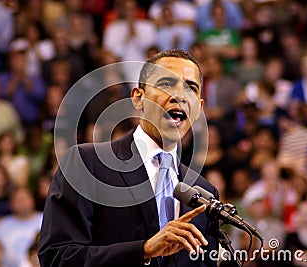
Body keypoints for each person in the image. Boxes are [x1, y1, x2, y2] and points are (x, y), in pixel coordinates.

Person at [38, 49, 220, 266]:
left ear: (198, 109)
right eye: (166, 84)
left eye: (190, 87)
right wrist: (143, 250)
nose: (179, 95)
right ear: (138, 98)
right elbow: (56, 257)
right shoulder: (87, 163)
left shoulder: (204, 194)